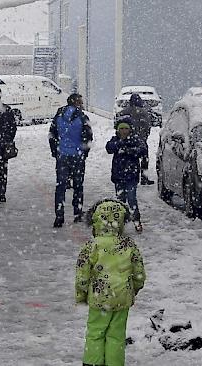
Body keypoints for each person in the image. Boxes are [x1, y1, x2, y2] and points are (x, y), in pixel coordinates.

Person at [75, 199, 146, 366]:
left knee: (95, 333)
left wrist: (81, 294)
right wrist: (134, 289)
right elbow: (139, 273)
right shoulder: (128, 245)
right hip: (122, 297)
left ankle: (93, 363)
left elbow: (82, 274)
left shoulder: (91, 246)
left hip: (99, 298)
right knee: (116, 335)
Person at [49, 93, 93, 228]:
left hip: (62, 155)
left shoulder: (59, 116)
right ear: (76, 103)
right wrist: (84, 152)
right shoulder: (82, 117)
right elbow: (88, 136)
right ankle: (77, 211)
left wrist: (55, 152)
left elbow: (52, 135)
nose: (82, 104)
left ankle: (59, 214)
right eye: (80, 102)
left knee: (60, 186)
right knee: (78, 185)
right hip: (77, 155)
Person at [106, 118, 147, 232]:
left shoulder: (135, 140)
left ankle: (136, 221)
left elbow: (142, 150)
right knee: (120, 200)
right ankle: (120, 222)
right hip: (119, 176)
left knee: (131, 198)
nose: (124, 131)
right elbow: (109, 147)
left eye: (126, 129)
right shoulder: (115, 140)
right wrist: (120, 143)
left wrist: (128, 150)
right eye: (122, 129)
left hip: (131, 176)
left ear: (130, 130)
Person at [115, 93, 154, 185]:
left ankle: (126, 175)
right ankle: (144, 178)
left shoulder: (124, 112)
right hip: (141, 139)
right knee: (144, 159)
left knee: (127, 158)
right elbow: (147, 126)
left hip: (127, 139)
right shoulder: (144, 112)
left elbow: (117, 123)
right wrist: (144, 136)